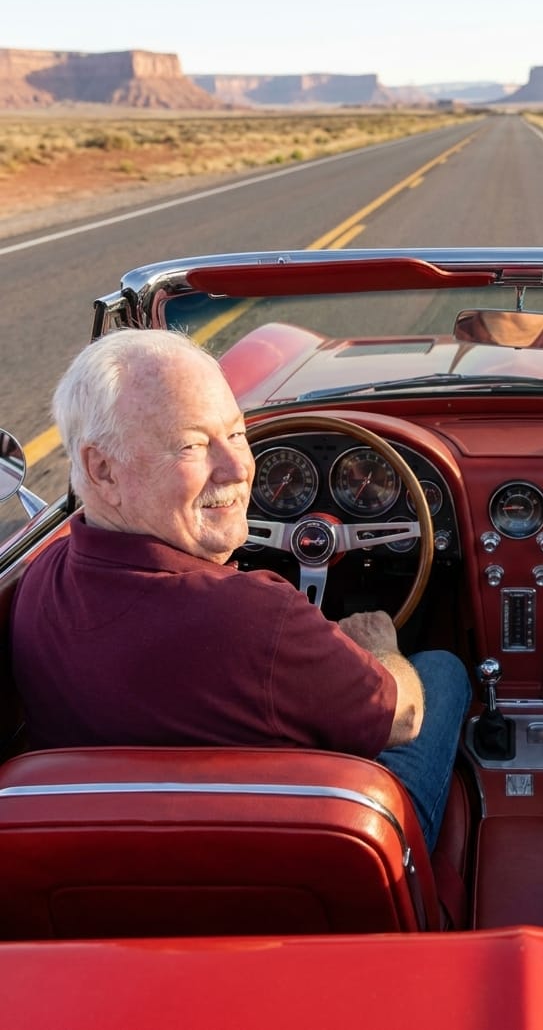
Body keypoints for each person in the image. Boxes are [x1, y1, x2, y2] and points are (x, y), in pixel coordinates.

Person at [10, 328, 471, 853]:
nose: (236, 470)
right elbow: (403, 718)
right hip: (301, 877)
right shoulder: (255, 619)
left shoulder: (39, 582)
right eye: (191, 445)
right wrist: (382, 651)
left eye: (236, 434)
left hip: (108, 873)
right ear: (101, 469)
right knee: (440, 671)